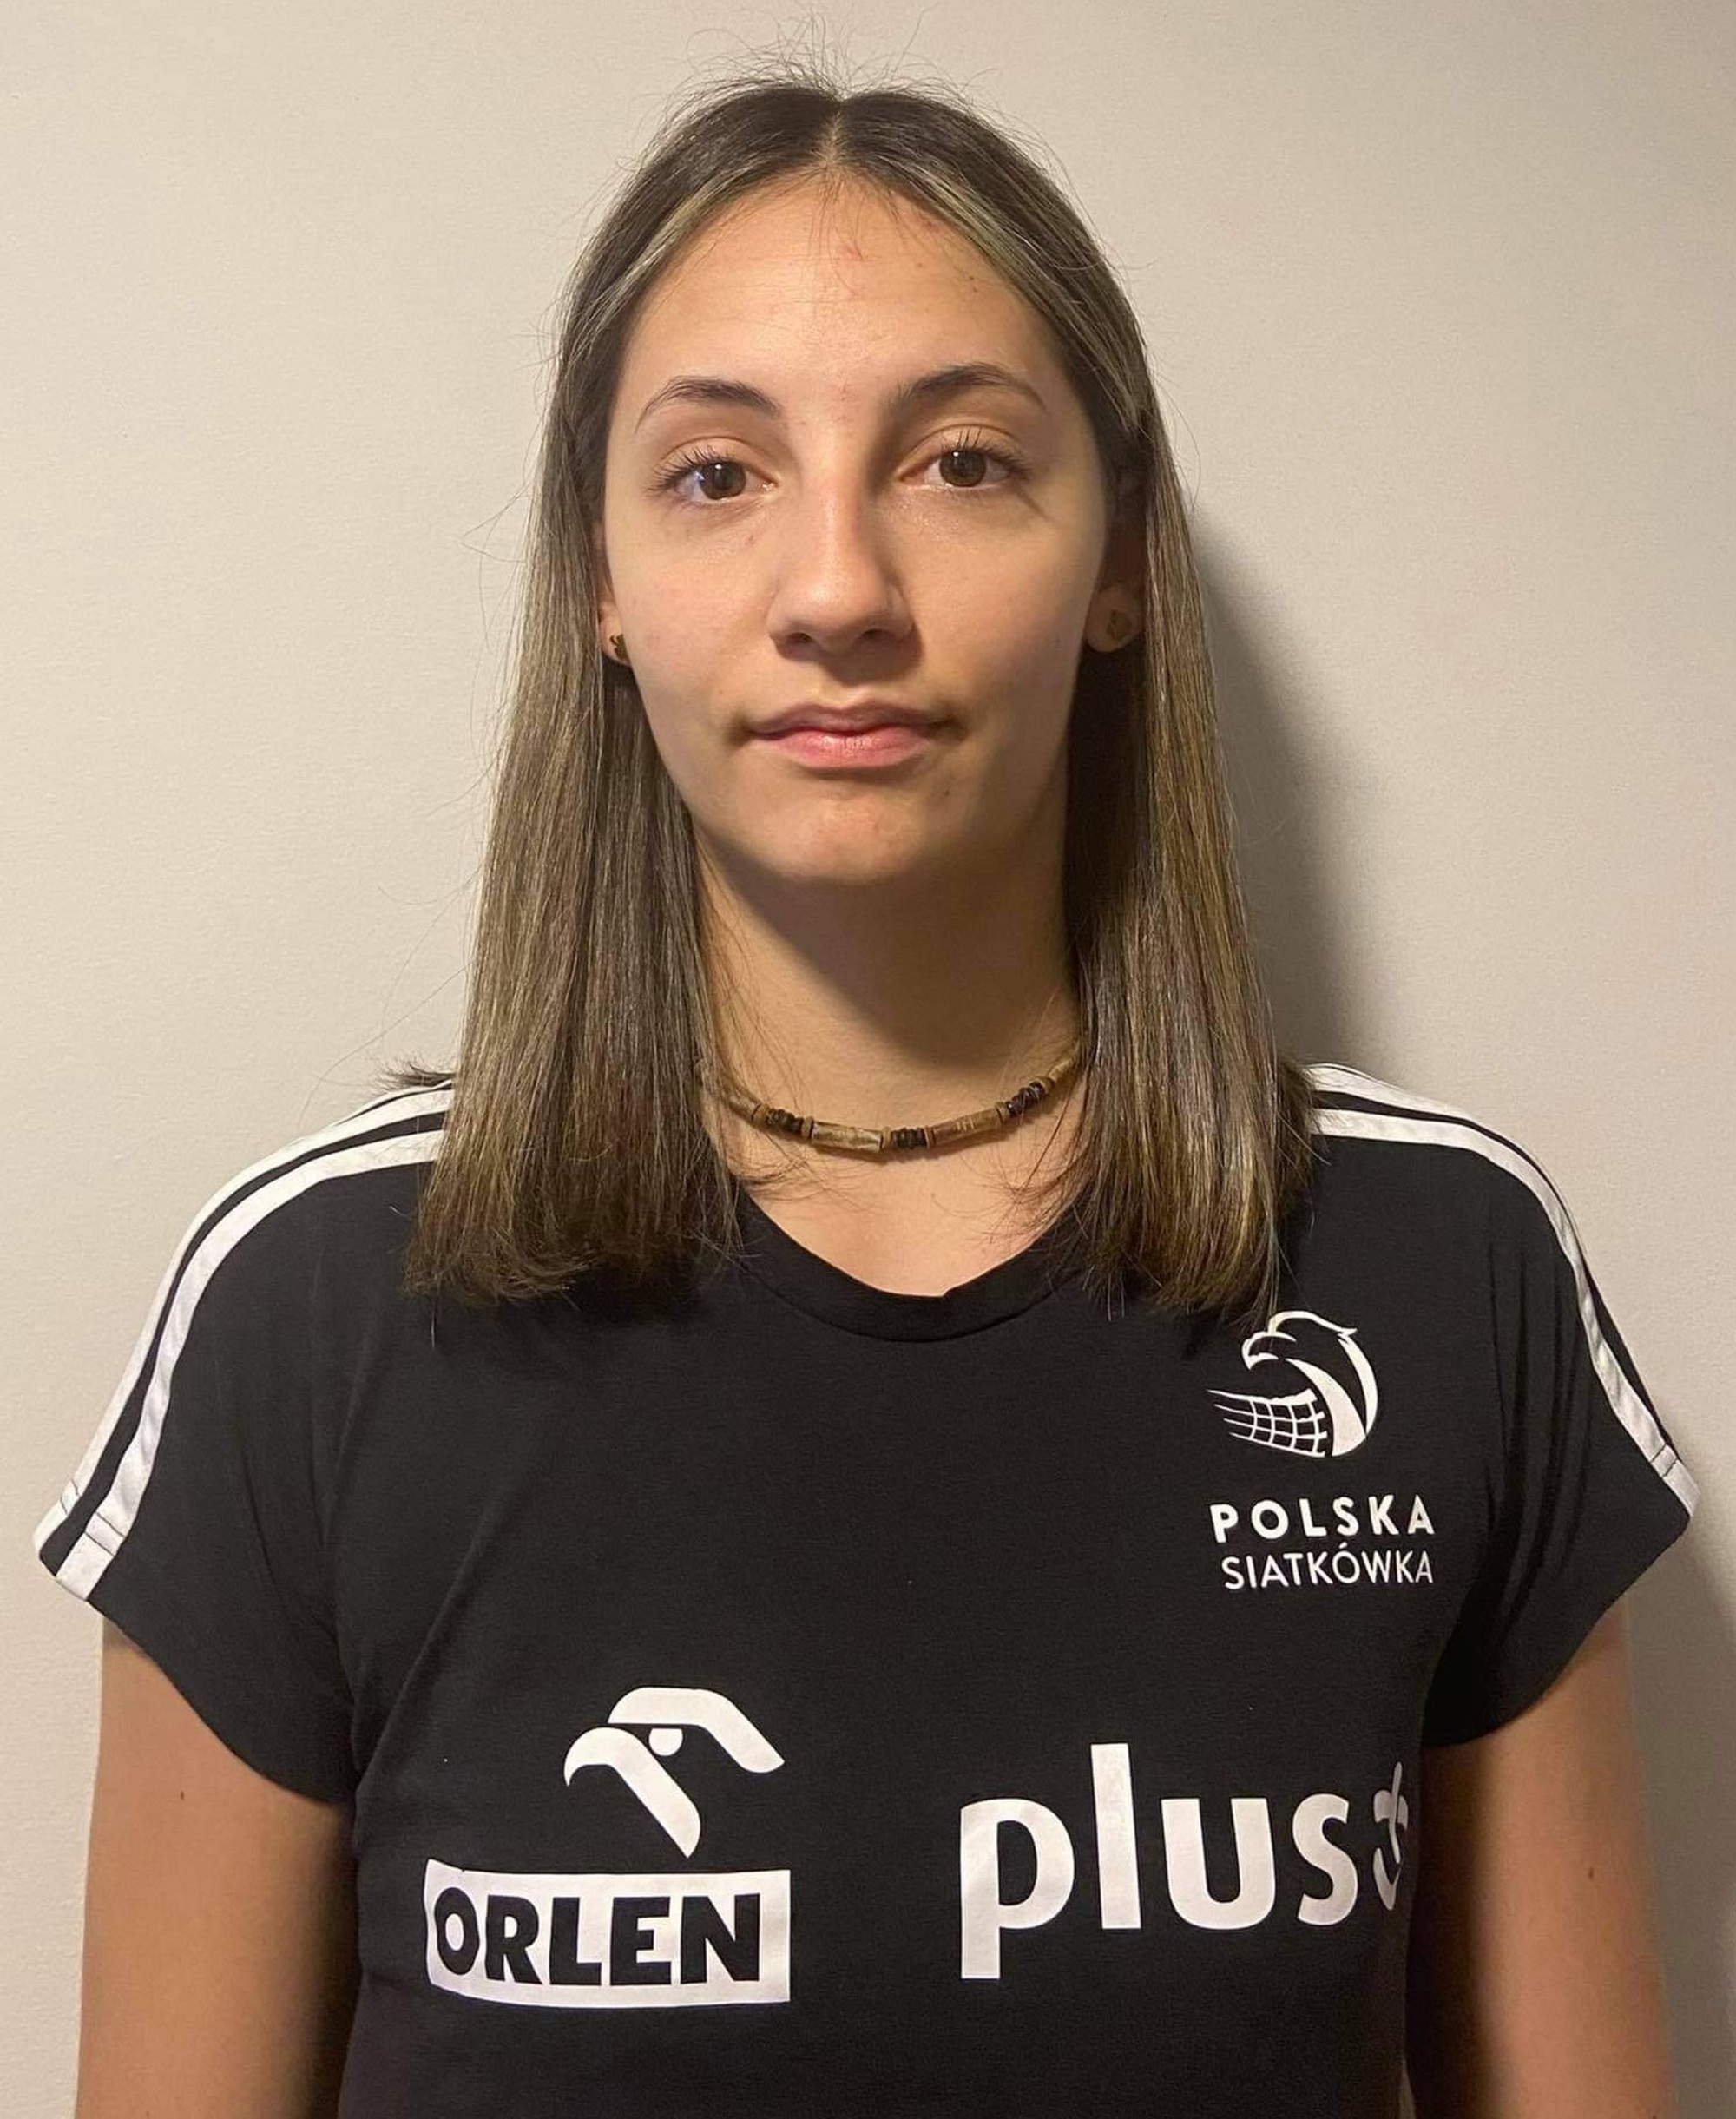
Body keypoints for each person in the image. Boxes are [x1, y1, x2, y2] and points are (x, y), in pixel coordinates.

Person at [34, 52, 1700, 2119]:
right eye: (716, 475)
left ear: (1118, 561)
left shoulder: (1441, 1267)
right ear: (600, 586)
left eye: (961, 462)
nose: (836, 591)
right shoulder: (315, 1306)